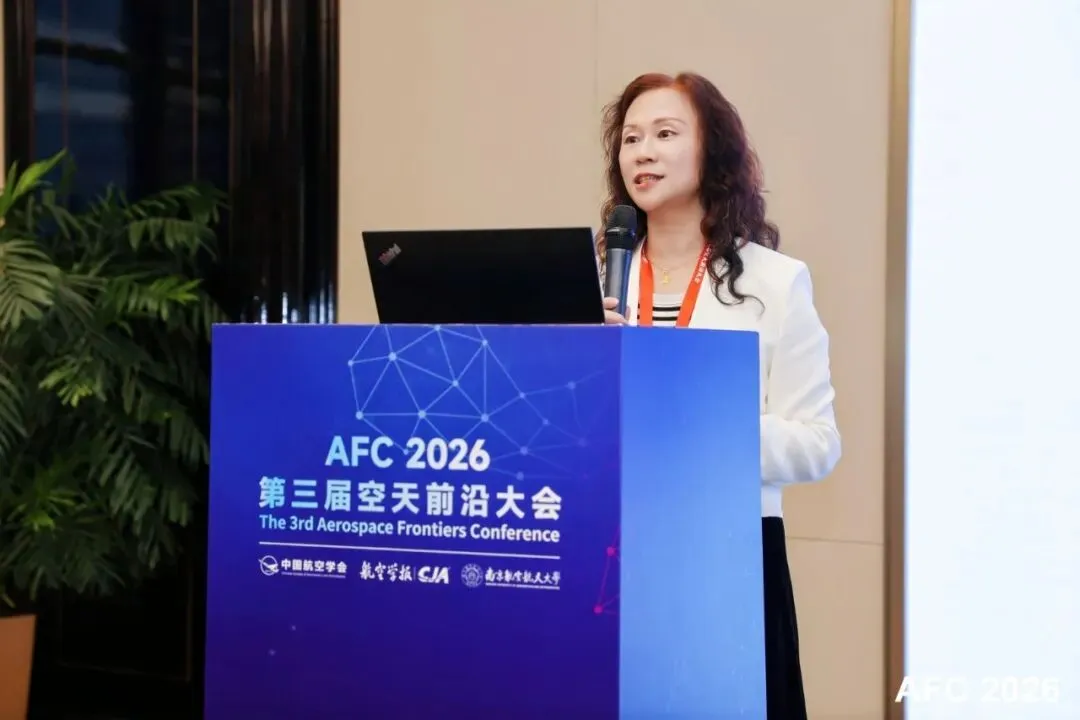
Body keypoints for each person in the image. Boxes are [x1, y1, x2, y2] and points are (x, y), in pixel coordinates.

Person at [597, 72, 842, 719]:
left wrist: (702, 426)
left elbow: (818, 444)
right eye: (630, 138)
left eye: (665, 134)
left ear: (713, 150)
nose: (642, 152)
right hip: (609, 551)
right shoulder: (597, 284)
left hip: (727, 556)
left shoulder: (775, 283)